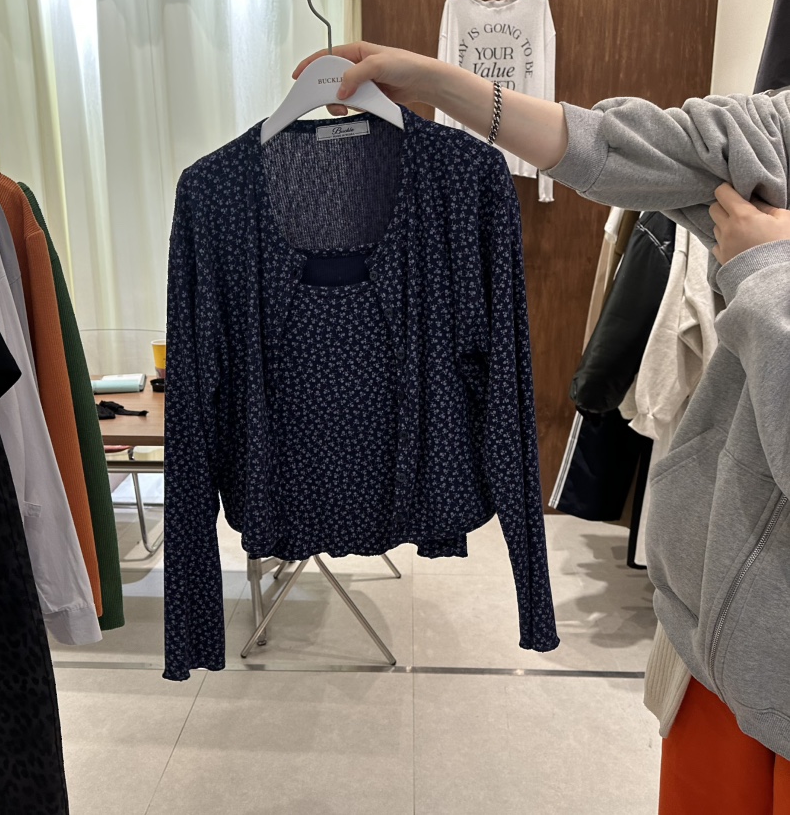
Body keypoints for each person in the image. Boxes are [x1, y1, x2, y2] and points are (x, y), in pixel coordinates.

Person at [295, 42, 790, 814]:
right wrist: (437, 82)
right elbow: (619, 143)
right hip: (718, 631)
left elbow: (495, 374)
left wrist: (769, 275)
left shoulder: (456, 188)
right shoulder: (218, 191)